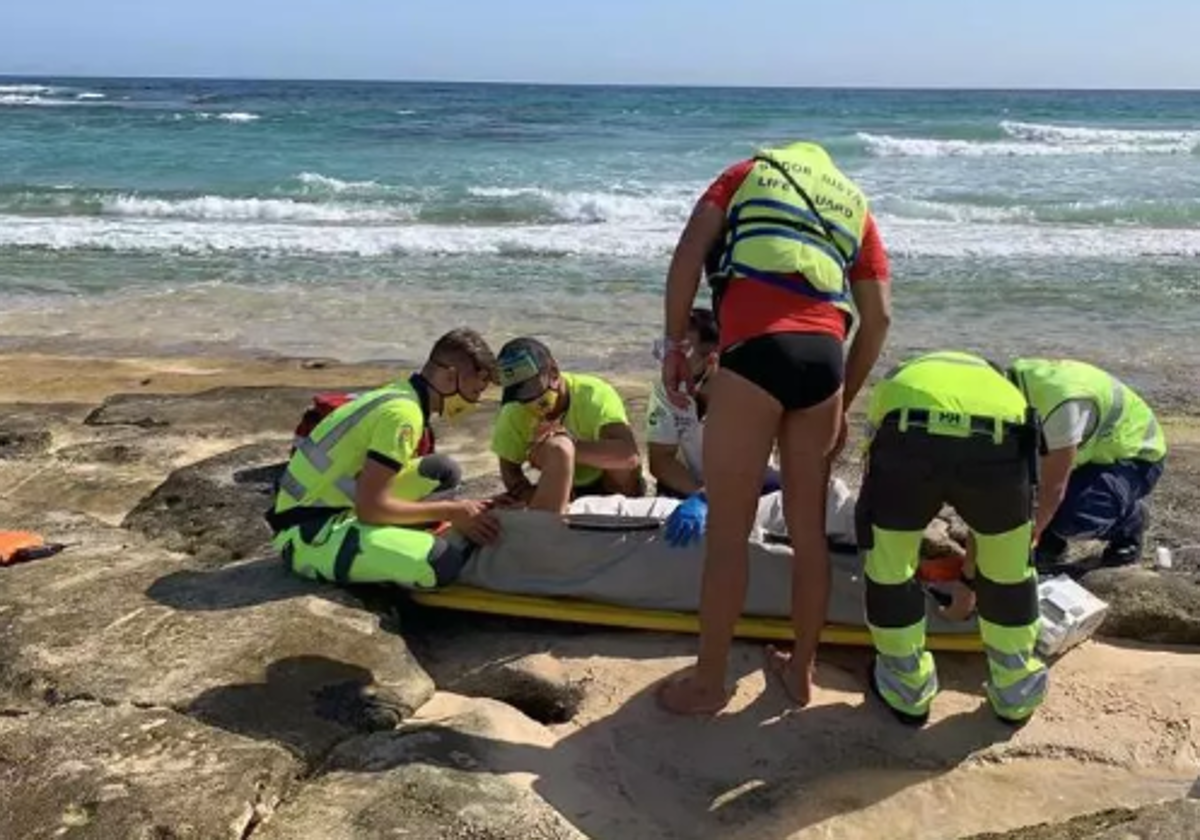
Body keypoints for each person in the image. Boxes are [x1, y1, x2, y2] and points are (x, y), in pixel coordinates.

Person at [656, 140, 893, 715]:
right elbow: (879, 317)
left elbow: (689, 256)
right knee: (808, 537)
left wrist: (672, 344)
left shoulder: (743, 173)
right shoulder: (854, 205)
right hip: (824, 360)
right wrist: (844, 401)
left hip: (756, 349)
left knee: (728, 535)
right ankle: (801, 671)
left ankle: (709, 682)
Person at [856, 350, 1048, 726]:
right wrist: (971, 575)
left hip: (909, 436)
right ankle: (1016, 696)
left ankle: (907, 691)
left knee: (891, 570)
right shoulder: (1005, 389)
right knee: (1009, 576)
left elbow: (873, 451)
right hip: (1000, 441)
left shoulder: (899, 379)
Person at [267, 328, 504, 590]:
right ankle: (376, 550)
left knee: (441, 471)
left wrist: (468, 509)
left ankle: (386, 544)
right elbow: (371, 509)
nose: (475, 401)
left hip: (334, 507)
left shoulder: (400, 393)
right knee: (443, 562)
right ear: (450, 377)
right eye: (474, 392)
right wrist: (452, 511)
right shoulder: (404, 416)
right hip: (309, 533)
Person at [1008, 357, 1167, 571]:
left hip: (1137, 457)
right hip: (1089, 454)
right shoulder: (1015, 381)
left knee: (1074, 516)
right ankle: (1052, 540)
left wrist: (1030, 535)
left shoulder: (1061, 404)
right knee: (1025, 490)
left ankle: (1129, 525)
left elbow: (1054, 488)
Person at [491, 337, 643, 514]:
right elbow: (510, 470)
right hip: (567, 490)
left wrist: (565, 448)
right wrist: (528, 494)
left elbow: (629, 456)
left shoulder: (594, 394)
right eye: (518, 394)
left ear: (553, 372)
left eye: (532, 390)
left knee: (621, 470)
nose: (527, 401)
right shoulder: (515, 408)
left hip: (608, 483)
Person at [645, 306, 781, 503]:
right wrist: (700, 494)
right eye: (667, 350)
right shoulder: (667, 389)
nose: (671, 363)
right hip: (690, 484)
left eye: (682, 353)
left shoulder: (751, 390)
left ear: (712, 359)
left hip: (752, 481)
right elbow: (661, 461)